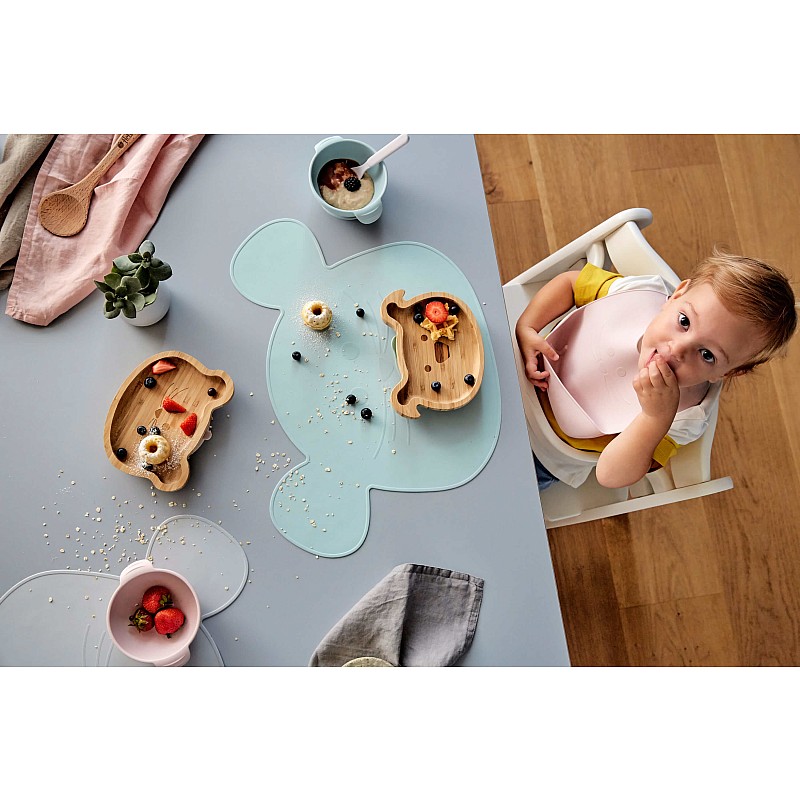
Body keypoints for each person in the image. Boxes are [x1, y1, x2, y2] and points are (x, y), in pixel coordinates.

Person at [515, 247, 797, 490]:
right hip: (517, 366)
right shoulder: (640, 293)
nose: (677, 349)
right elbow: (570, 284)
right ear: (677, 295)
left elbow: (610, 475)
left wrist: (654, 418)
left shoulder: (687, 418)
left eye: (707, 354)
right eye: (684, 322)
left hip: (542, 454)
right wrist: (528, 327)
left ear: (726, 373)